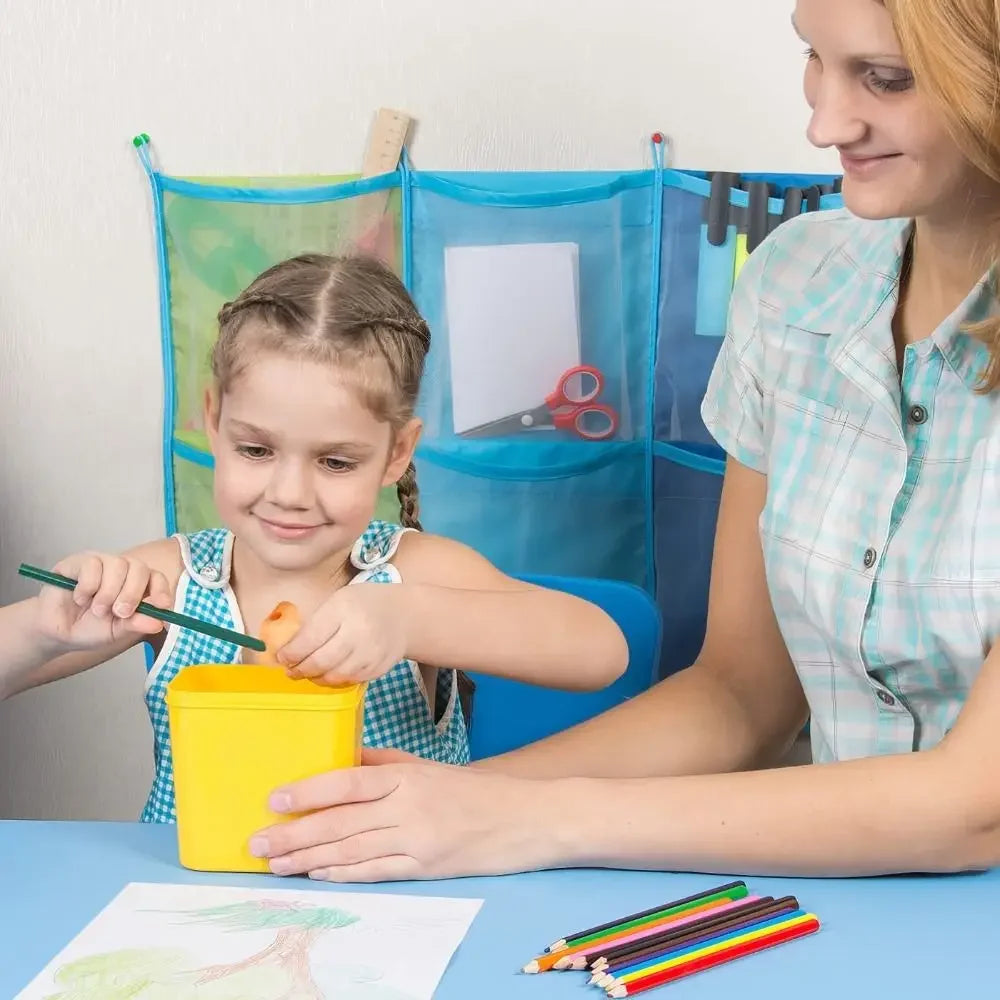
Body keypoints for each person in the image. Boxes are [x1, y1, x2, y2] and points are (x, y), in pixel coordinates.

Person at [242, 0, 1000, 884]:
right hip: (836, 905)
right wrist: (452, 802)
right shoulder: (795, 287)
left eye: (886, 79)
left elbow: (972, 807)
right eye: (815, 60)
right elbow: (738, 698)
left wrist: (535, 819)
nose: (824, 122)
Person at [0, 253, 629, 825]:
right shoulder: (172, 580)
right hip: (188, 911)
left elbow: (601, 652)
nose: (290, 492)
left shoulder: (412, 574)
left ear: (396, 454)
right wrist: (44, 630)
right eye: (256, 449)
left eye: (335, 462)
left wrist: (413, 619)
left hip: (392, 908)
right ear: (213, 421)